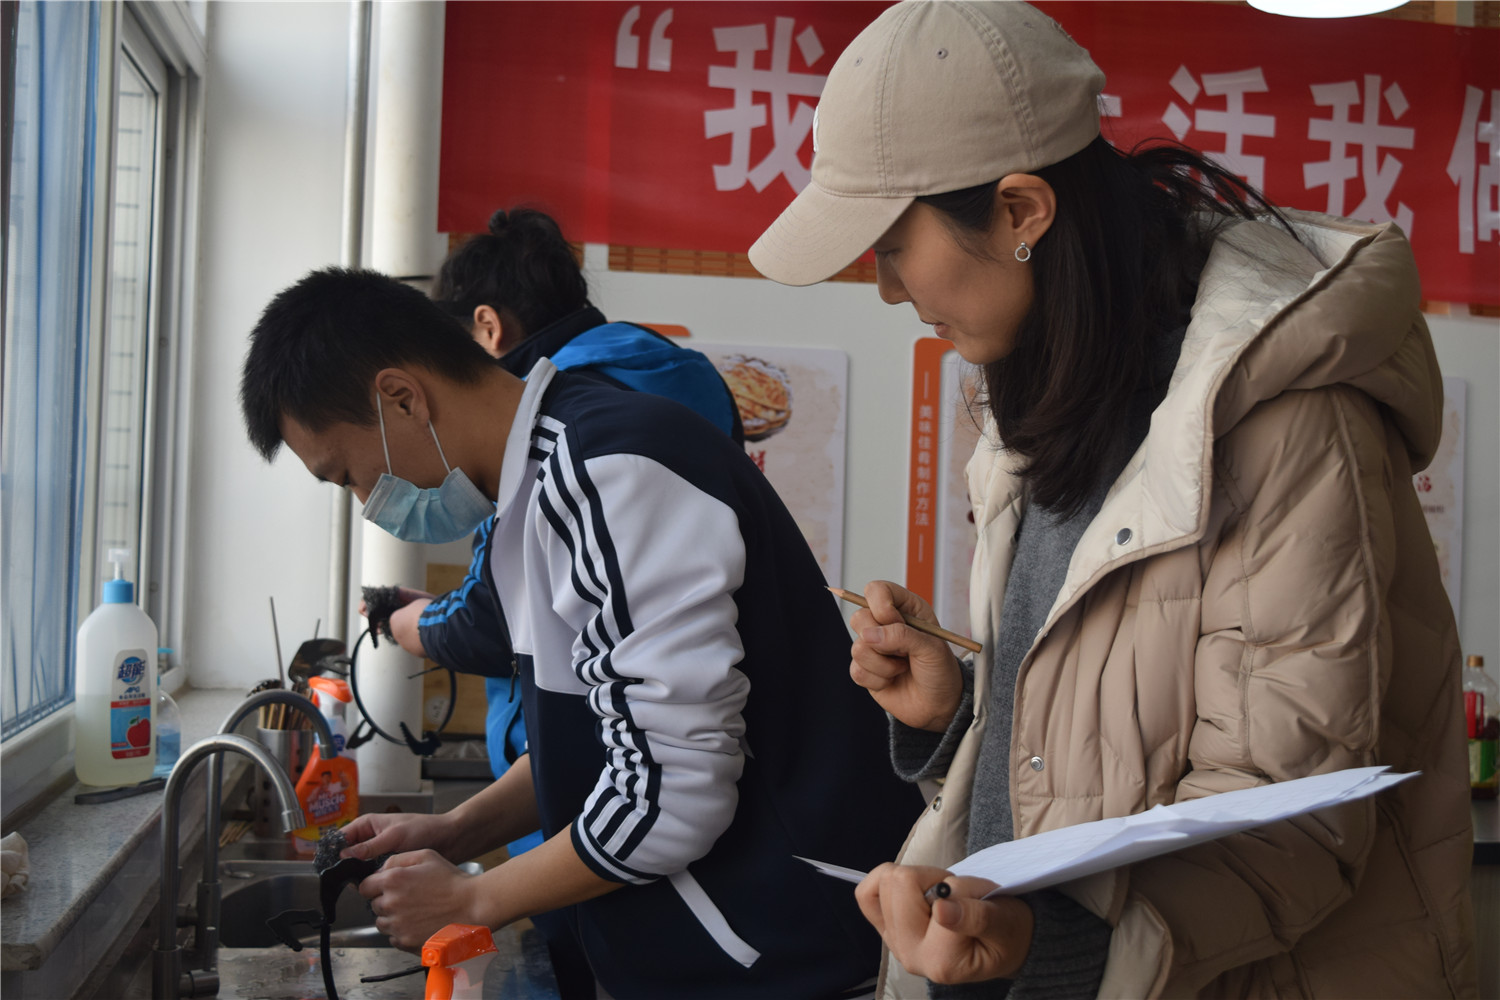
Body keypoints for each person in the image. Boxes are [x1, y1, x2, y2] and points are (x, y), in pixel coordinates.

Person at [748, 2, 1475, 998]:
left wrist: (1039, 940)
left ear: (1020, 212)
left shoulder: (1286, 421)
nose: (886, 288)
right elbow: (1090, 759)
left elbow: (1294, 820)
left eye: (889, 244)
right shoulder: (1052, 402)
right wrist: (962, 715)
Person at [239, 267, 924, 999]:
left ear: (401, 398)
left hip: (797, 952)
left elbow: (670, 794)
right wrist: (458, 831)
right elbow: (605, 737)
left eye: (349, 474)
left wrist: (474, 898)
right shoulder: (531, 496)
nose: (365, 501)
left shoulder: (606, 472)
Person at [374, 206, 744, 998]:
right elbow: (607, 714)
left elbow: (490, 623)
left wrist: (405, 621)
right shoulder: (660, 380)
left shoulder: (570, 443)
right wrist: (457, 831)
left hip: (646, 866)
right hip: (634, 834)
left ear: (485, 327)